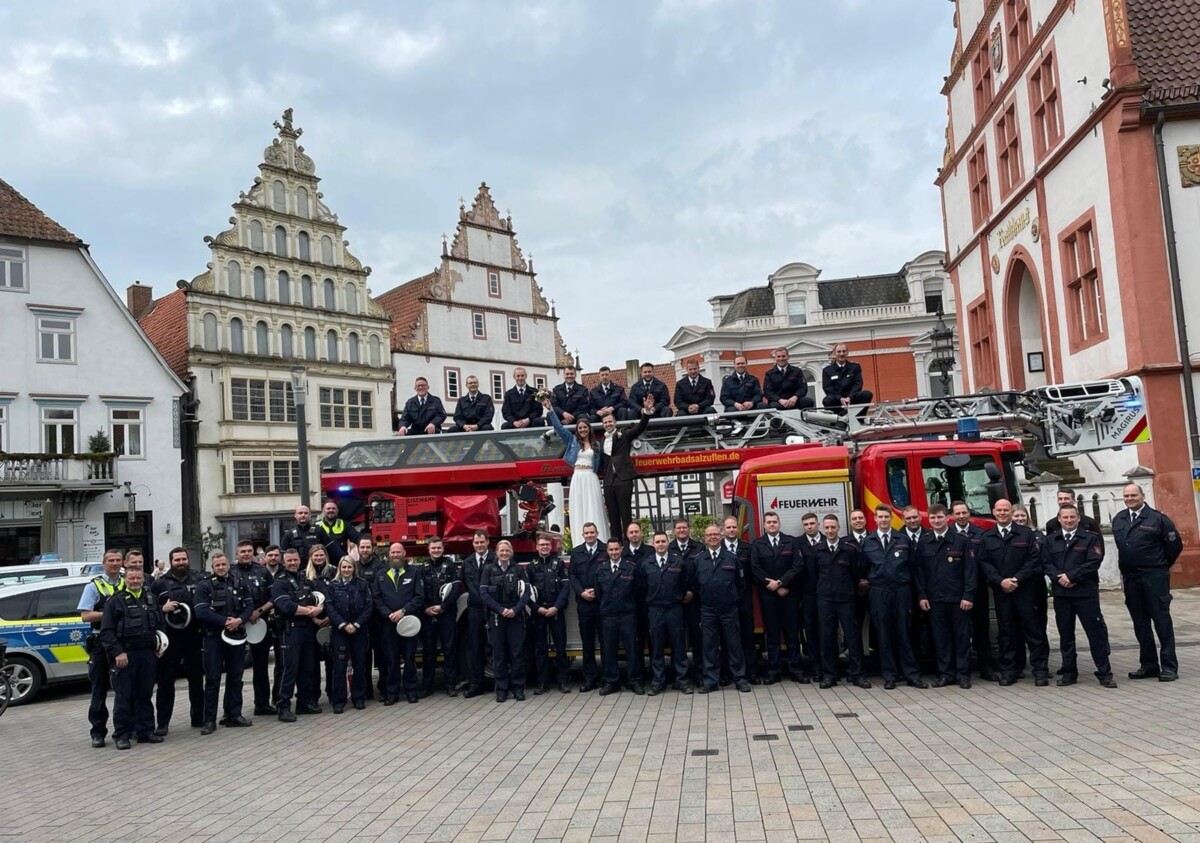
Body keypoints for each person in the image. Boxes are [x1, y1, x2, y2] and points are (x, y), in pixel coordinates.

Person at [971, 499, 1049, 687]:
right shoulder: (987, 537)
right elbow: (984, 563)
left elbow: (1034, 559)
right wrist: (1000, 581)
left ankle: (1040, 671)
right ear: (994, 512)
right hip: (1002, 592)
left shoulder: (1026, 534)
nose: (1003, 513)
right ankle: (1010, 670)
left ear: (1010, 512)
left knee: (1033, 631)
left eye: (1006, 510)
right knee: (1006, 632)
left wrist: (1016, 579)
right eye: (1000, 510)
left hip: (1024, 591)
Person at [1113, 483, 1183, 682]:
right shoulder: (1120, 519)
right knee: (1140, 623)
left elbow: (1174, 547)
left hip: (1154, 577)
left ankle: (1169, 666)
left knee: (1162, 622)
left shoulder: (1159, 519)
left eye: (1133, 495)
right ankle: (1149, 664)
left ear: (1142, 496)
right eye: (1126, 495)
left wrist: (1158, 566)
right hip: (1131, 578)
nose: (1130, 498)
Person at [1043, 504, 1117, 688]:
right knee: (1066, 635)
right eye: (1065, 517)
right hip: (1062, 594)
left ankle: (1104, 673)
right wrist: (1060, 577)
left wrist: (1072, 576)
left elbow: (1094, 561)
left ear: (1078, 518)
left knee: (1095, 634)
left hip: (1085, 594)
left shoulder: (1090, 538)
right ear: (1059, 519)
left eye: (1072, 517)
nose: (1068, 520)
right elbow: (1045, 562)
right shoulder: (1051, 540)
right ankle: (1069, 673)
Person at [99, 563, 164, 750]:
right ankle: (122, 735)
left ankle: (146, 732)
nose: (135, 581)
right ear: (125, 580)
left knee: (145, 695)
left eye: (138, 578)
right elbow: (107, 632)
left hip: (147, 655)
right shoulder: (115, 601)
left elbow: (160, 626)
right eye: (131, 578)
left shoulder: (151, 598)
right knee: (123, 697)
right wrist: (117, 652)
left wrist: (160, 645)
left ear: (143, 580)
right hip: (125, 655)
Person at [861, 505, 926, 690]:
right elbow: (863, 567)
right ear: (874, 519)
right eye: (880, 517)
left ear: (891, 518)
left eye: (886, 517)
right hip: (879, 592)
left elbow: (914, 567)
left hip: (901, 591)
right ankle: (889, 675)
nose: (883, 520)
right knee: (884, 635)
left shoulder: (903, 539)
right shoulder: (868, 541)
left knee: (905, 634)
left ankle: (911, 674)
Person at [915, 504, 976, 689]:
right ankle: (945, 674)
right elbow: (919, 572)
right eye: (932, 518)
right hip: (935, 600)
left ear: (947, 518)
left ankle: (963, 675)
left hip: (958, 600)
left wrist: (968, 596)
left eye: (939, 517)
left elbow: (970, 571)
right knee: (941, 639)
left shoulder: (961, 541)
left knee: (962, 638)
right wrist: (922, 595)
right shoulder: (924, 542)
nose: (936, 521)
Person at [193, 552, 253, 734]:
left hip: (236, 637)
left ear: (229, 565)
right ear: (213, 567)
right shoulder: (204, 586)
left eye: (223, 564)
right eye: (217, 565)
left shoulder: (240, 583)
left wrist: (239, 620)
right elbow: (201, 611)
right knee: (213, 680)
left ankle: (233, 715)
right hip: (214, 638)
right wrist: (225, 622)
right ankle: (209, 720)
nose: (220, 567)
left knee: (236, 678)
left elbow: (249, 606)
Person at [149, 547, 204, 736]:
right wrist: (161, 608)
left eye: (184, 559)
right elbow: (149, 609)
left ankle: (198, 717)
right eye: (177, 560)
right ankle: (163, 723)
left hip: (194, 636)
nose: (181, 562)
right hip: (170, 638)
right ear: (171, 562)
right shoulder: (159, 584)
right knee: (166, 682)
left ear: (188, 560)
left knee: (196, 680)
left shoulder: (199, 579)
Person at [812, 515, 870, 689]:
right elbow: (814, 575)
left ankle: (857, 674)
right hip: (825, 600)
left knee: (853, 637)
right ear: (823, 528)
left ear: (839, 528)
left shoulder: (850, 550)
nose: (830, 531)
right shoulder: (818, 550)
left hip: (846, 600)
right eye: (827, 528)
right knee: (827, 638)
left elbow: (855, 574)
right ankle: (830, 675)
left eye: (833, 527)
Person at [695, 524, 752, 693]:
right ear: (705, 538)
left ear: (720, 536)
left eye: (715, 534)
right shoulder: (698, 560)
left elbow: (741, 584)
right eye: (709, 535)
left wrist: (731, 600)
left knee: (734, 645)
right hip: (708, 610)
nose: (712, 537)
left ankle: (740, 679)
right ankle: (711, 681)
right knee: (709, 646)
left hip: (729, 609)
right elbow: (695, 585)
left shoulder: (731, 558)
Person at [78, 549, 126, 747]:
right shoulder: (94, 586)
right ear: (104, 562)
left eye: (117, 560)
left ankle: (123, 732)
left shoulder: (127, 582)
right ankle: (97, 733)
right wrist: (110, 613)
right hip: (100, 644)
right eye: (110, 560)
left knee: (123, 691)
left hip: (122, 643)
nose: (114, 564)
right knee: (99, 690)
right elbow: (85, 615)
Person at [544, 397, 608, 544]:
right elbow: (559, 429)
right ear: (577, 430)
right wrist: (551, 410)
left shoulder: (596, 445)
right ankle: (580, 543)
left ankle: (600, 541)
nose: (583, 430)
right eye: (580, 428)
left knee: (594, 507)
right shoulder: (572, 440)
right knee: (579, 509)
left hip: (591, 477)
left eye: (585, 427)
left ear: (589, 429)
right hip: (577, 477)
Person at [751, 512, 804, 684]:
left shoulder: (791, 541)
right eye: (769, 522)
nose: (772, 524)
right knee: (772, 634)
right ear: (764, 525)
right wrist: (772, 585)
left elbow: (797, 566)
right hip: (768, 596)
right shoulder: (757, 544)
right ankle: (773, 670)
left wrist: (781, 583)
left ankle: (796, 668)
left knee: (792, 633)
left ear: (779, 523)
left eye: (774, 522)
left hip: (789, 594)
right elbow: (755, 568)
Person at [271, 548, 323, 721]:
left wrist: (319, 609)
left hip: (308, 629)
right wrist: (308, 611)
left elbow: (319, 598)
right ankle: (283, 706)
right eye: (289, 561)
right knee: (289, 669)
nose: (292, 563)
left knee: (308, 667)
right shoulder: (279, 582)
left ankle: (304, 703)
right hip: (290, 629)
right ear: (283, 562)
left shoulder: (305, 578)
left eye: (295, 560)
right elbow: (286, 607)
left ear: (299, 561)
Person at [641, 531, 693, 695]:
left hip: (674, 609)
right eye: (657, 542)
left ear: (668, 543)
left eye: (663, 541)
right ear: (653, 544)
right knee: (656, 648)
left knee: (678, 646)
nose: (661, 544)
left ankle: (682, 681)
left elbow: (685, 584)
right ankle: (658, 682)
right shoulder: (646, 564)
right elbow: (641, 587)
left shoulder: (678, 562)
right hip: (655, 610)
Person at [230, 539, 277, 715]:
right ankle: (232, 710)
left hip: (259, 624)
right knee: (235, 670)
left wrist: (259, 611)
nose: (247, 554)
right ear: (237, 554)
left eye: (249, 551)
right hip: (236, 627)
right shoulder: (229, 572)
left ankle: (262, 704)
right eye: (243, 551)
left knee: (261, 666)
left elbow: (274, 598)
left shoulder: (263, 571)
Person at [374, 542, 424, 704]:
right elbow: (376, 599)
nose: (395, 555)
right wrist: (388, 614)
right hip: (388, 624)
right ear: (389, 554)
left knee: (409, 659)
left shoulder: (415, 573)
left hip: (408, 623)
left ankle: (411, 691)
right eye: (393, 552)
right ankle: (392, 693)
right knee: (391, 660)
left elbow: (419, 597)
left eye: (398, 552)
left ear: (404, 553)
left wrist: (403, 611)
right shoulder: (380, 575)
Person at [599, 394, 655, 539]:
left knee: (626, 514)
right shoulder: (601, 441)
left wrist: (647, 412)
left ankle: (630, 545)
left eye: (610, 421)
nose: (608, 424)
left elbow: (640, 428)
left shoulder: (623, 434)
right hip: (608, 481)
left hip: (623, 478)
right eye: (605, 423)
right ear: (602, 425)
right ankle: (615, 544)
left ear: (615, 422)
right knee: (612, 515)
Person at [951, 500, 995, 681]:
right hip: (955, 591)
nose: (961, 516)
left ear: (969, 514)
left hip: (978, 590)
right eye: (958, 513)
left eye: (964, 513)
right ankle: (961, 670)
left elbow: (986, 560)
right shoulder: (949, 534)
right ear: (952, 515)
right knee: (959, 632)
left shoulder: (980, 534)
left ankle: (986, 668)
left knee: (982, 630)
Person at [481, 540, 530, 702]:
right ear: (496, 552)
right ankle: (501, 690)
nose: (504, 553)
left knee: (517, 654)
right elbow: (484, 595)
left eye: (507, 550)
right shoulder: (488, 569)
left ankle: (518, 689)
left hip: (515, 616)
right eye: (501, 550)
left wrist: (515, 610)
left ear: (511, 552)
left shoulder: (518, 569)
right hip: (496, 617)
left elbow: (526, 593)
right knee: (499, 655)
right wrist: (500, 610)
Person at [595, 538, 644, 695]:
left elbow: (638, 591)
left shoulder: (631, 568)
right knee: (609, 649)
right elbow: (598, 594)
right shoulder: (601, 569)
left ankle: (635, 681)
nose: (614, 553)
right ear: (607, 551)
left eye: (616, 549)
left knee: (632, 649)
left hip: (627, 614)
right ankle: (611, 681)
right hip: (608, 615)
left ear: (621, 550)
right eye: (611, 550)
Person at [325, 556, 374, 712]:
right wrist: (343, 625)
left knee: (360, 664)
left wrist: (356, 624)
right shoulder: (332, 586)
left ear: (354, 568)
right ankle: (338, 701)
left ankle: (359, 698)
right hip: (340, 631)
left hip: (359, 630)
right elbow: (330, 608)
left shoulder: (363, 584)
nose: (346, 570)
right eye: (343, 567)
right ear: (339, 568)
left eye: (349, 567)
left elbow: (368, 606)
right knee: (339, 666)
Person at [527, 536, 571, 694]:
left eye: (547, 544)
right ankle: (542, 683)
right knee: (540, 649)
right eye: (541, 545)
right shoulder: (531, 567)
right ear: (536, 547)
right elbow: (526, 591)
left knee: (561, 649)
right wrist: (537, 608)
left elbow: (566, 588)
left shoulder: (559, 564)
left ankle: (563, 682)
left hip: (556, 611)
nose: (544, 547)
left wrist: (556, 607)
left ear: (550, 546)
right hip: (539, 613)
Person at [419, 538, 461, 697]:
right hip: (428, 615)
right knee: (428, 652)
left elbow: (456, 588)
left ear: (443, 549)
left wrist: (443, 607)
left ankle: (450, 686)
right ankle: (427, 687)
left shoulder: (451, 566)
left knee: (449, 650)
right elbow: (418, 591)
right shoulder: (422, 567)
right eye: (433, 548)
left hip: (447, 614)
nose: (436, 550)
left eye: (438, 548)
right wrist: (426, 609)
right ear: (428, 549)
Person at [722, 515, 760, 684]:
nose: (731, 530)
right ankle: (727, 673)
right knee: (725, 638)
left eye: (733, 527)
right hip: (725, 602)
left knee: (747, 636)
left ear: (738, 529)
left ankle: (750, 672)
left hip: (744, 599)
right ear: (723, 530)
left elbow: (753, 573)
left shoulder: (748, 548)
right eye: (728, 527)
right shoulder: (718, 548)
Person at [569, 523, 606, 692]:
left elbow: (609, 574)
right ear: (582, 535)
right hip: (584, 603)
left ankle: (607, 677)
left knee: (606, 643)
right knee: (588, 643)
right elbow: (572, 576)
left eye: (592, 532)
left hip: (602, 603)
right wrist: (581, 592)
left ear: (597, 533)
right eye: (586, 533)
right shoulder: (576, 552)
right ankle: (589, 679)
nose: (590, 535)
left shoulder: (606, 550)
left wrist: (597, 592)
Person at [352, 535, 388, 701]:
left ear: (372, 548)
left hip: (377, 618)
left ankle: (384, 688)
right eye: (362, 547)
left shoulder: (381, 567)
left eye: (367, 547)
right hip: (361, 620)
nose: (365, 550)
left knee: (382, 654)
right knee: (363, 656)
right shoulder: (355, 567)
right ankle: (366, 690)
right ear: (358, 549)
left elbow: (378, 592)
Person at [670, 519, 704, 685]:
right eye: (679, 528)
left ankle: (699, 673)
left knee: (697, 637)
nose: (682, 530)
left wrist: (692, 591)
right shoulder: (668, 548)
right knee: (676, 638)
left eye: (684, 527)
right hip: (675, 602)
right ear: (674, 530)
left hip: (693, 601)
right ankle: (678, 675)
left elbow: (703, 573)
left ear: (689, 529)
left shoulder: (699, 548)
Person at [462, 530, 495, 698]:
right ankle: (476, 685)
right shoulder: (467, 562)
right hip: (475, 609)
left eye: (482, 542)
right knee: (475, 647)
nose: (479, 545)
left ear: (488, 542)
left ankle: (502, 683)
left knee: (497, 646)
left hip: (493, 608)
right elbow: (468, 585)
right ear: (473, 544)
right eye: (476, 543)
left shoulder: (496, 559)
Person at [796, 512, 824, 682]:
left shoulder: (828, 540)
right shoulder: (798, 544)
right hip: (807, 595)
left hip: (827, 594)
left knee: (828, 631)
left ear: (818, 524)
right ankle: (816, 667)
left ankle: (830, 665)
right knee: (811, 632)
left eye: (812, 523)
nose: (809, 527)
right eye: (806, 524)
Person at [821, 343, 873, 410]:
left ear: (847, 353)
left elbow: (858, 384)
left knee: (867, 394)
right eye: (839, 352)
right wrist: (840, 398)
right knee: (827, 400)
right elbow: (827, 388)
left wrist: (850, 397)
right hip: (837, 401)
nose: (841, 354)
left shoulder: (855, 367)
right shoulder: (827, 370)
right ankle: (837, 418)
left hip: (852, 398)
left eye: (844, 351)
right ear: (834, 353)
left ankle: (859, 418)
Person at [314, 499, 360, 565]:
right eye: (328, 508)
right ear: (323, 510)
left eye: (333, 508)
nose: (331, 510)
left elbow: (356, 537)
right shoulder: (317, 525)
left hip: (341, 563)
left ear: (337, 510)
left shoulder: (344, 524)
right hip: (323, 563)